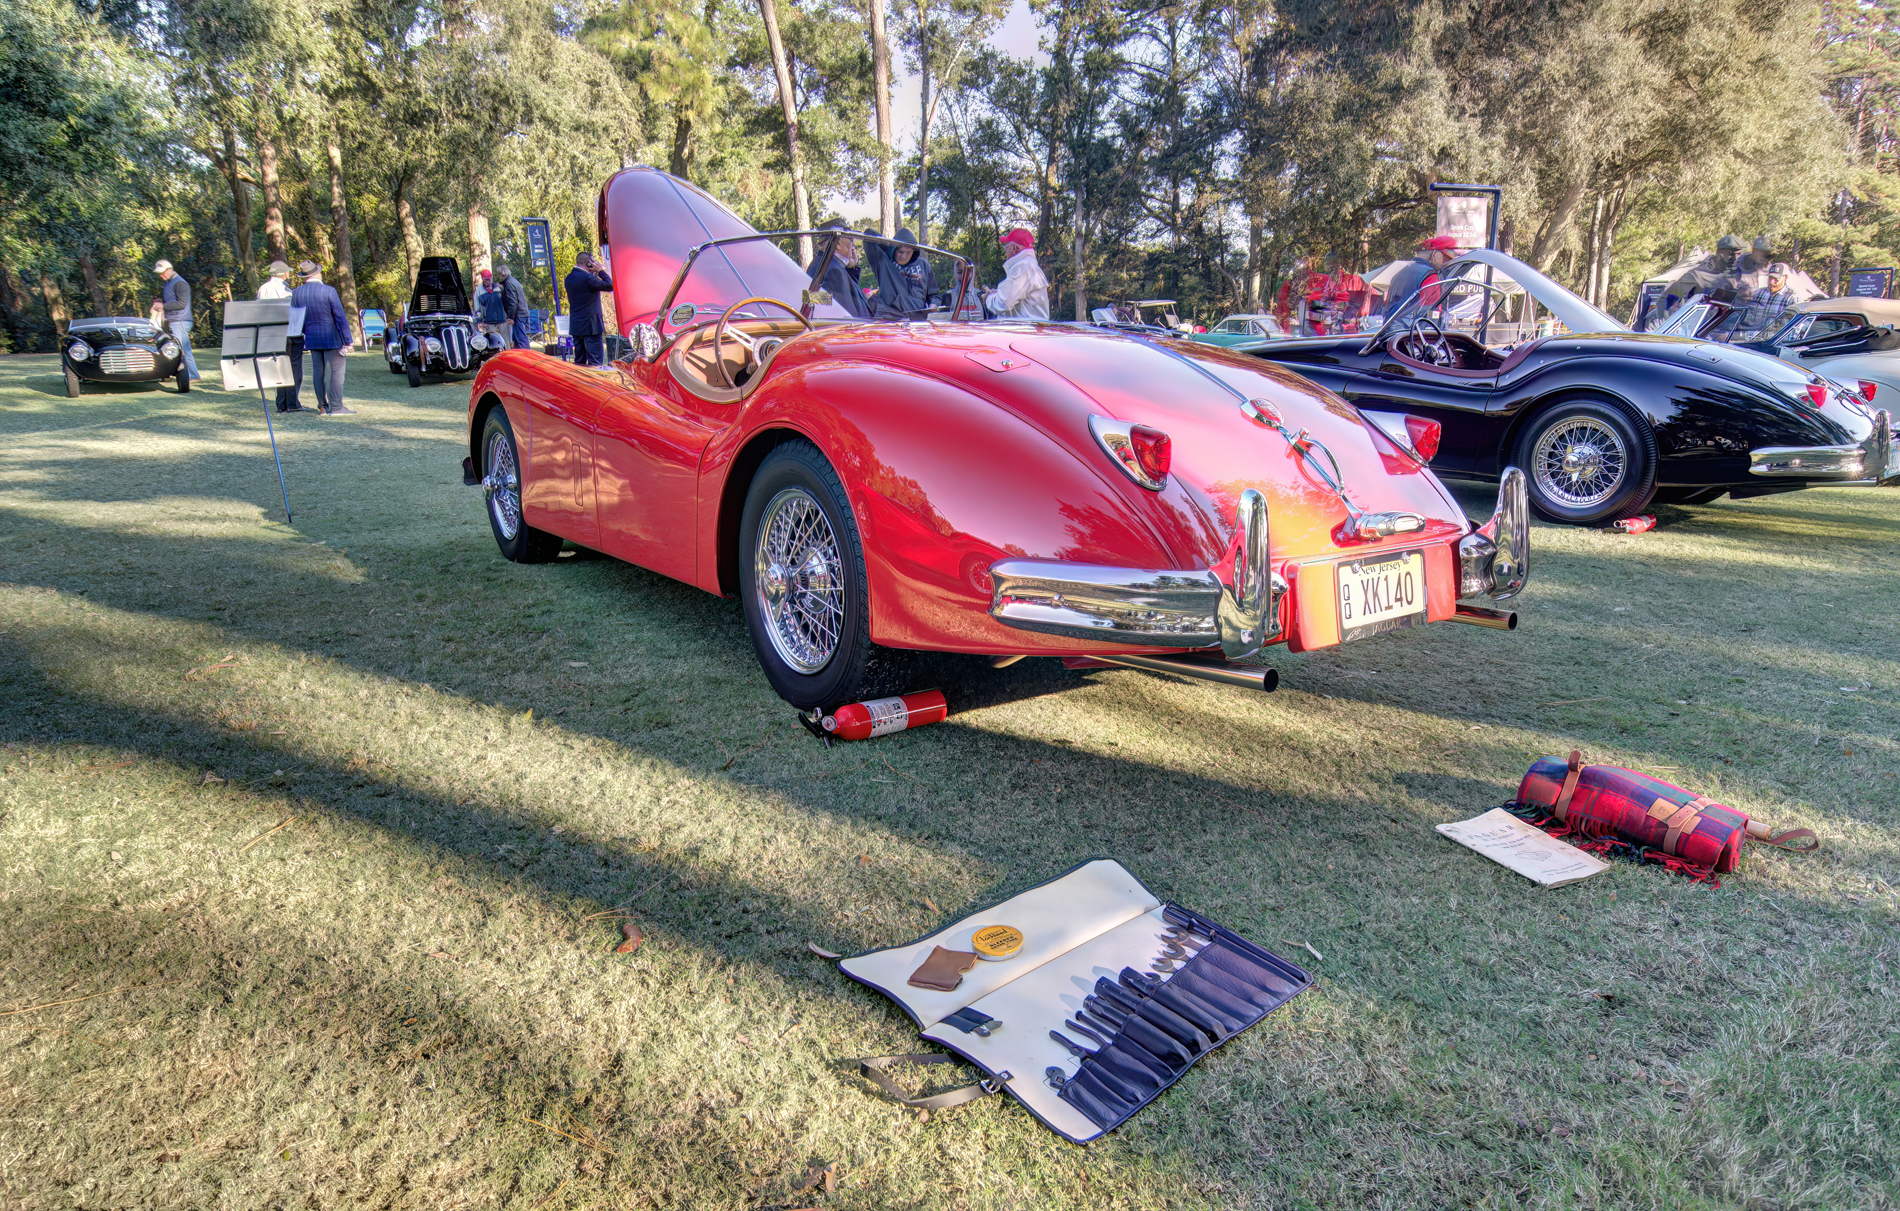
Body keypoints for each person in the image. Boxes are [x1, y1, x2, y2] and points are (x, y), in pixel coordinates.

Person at [291, 260, 355, 415]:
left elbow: (296, 318)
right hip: (332, 338)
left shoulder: (297, 293)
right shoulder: (328, 291)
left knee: (318, 372)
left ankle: (322, 406)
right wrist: (348, 340)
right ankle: (337, 406)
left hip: (312, 338)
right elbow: (339, 316)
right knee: (337, 372)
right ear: (318, 273)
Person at [256, 261, 311, 412]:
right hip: (288, 332)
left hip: (271, 334)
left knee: (278, 368)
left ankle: (281, 403)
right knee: (294, 368)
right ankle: (292, 403)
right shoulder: (286, 290)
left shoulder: (263, 289)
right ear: (284, 274)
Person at [864, 227, 940, 318]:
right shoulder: (882, 261)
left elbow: (934, 295)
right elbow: (868, 234)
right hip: (889, 318)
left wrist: (933, 305)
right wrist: (889, 246)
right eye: (900, 251)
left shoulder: (924, 265)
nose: (903, 256)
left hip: (917, 320)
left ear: (914, 251)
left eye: (908, 252)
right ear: (894, 249)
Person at [1384, 235, 1459, 318]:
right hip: (1414, 328)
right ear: (1434, 253)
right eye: (1445, 258)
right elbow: (1430, 312)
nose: (1446, 263)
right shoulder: (1430, 275)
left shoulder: (1399, 274)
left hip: (1392, 328)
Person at [985, 227, 1050, 320]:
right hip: (1027, 330)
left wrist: (989, 297)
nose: (1005, 251)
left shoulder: (1023, 268)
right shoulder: (1029, 266)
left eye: (1006, 246)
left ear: (1014, 248)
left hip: (1024, 331)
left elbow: (1003, 303)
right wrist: (998, 293)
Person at [1666, 235, 1744, 311]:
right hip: (1700, 321)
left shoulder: (1741, 275)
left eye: (1739, 254)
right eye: (1731, 254)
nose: (1735, 258)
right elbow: (1670, 299)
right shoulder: (1698, 274)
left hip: (1729, 321)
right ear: (1719, 253)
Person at [809, 222, 871, 318]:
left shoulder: (823, 263)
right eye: (851, 240)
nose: (853, 245)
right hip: (853, 330)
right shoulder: (834, 270)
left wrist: (851, 268)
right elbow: (846, 313)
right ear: (838, 244)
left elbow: (832, 299)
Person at [152, 260, 202, 380]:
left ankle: (193, 375)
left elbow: (181, 303)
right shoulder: (168, 283)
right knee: (173, 350)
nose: (161, 275)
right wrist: (158, 302)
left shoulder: (180, 283)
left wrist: (162, 306)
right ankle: (173, 373)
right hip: (173, 321)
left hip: (180, 321)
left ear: (169, 269)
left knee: (183, 350)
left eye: (162, 273)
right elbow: (170, 300)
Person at [564, 251, 614, 366]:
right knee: (596, 364)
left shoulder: (569, 278)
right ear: (588, 262)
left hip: (577, 327)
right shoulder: (587, 279)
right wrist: (601, 271)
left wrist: (593, 275)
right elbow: (610, 285)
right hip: (591, 327)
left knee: (579, 363)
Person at [1737, 263, 1797, 340]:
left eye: (1776, 279)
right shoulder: (1759, 293)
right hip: (1751, 339)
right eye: (1770, 278)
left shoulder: (1791, 298)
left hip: (1775, 342)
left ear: (1785, 278)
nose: (1772, 282)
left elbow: (1794, 328)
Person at [495, 264, 530, 347]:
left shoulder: (508, 283)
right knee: (517, 341)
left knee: (521, 341)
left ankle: (526, 358)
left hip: (518, 315)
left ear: (501, 274)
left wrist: (510, 317)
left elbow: (512, 302)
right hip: (522, 313)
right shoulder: (513, 281)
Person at [474, 269, 510, 347]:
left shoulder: (498, 287)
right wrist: (480, 322)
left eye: (490, 278)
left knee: (506, 342)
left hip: (502, 319)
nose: (489, 281)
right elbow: (477, 308)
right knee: (491, 343)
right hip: (488, 321)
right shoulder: (479, 290)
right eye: (486, 279)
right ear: (482, 278)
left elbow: (507, 302)